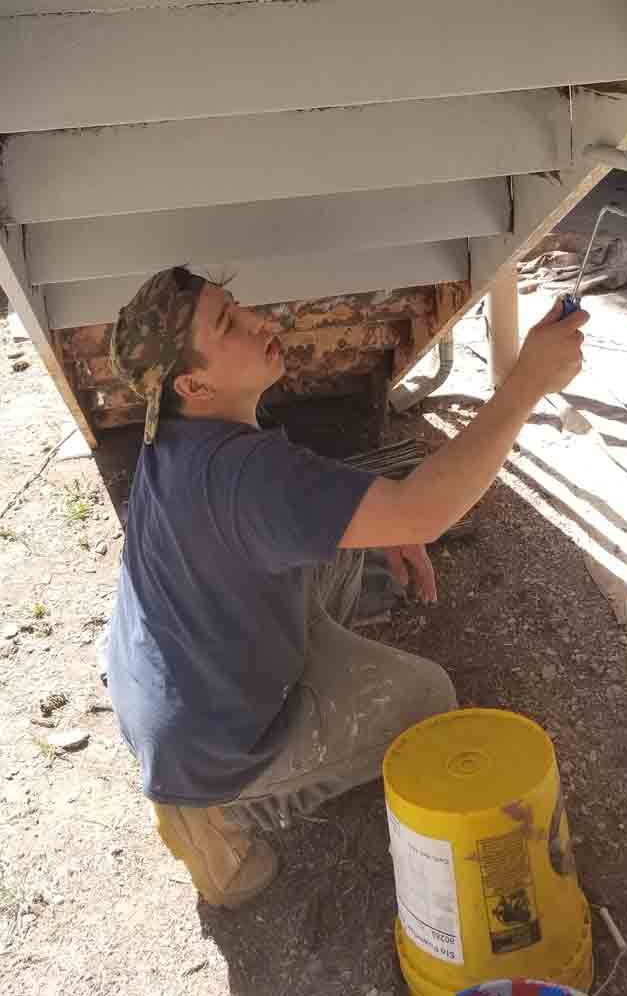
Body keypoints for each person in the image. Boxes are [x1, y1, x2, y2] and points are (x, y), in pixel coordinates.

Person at [107, 266, 587, 908]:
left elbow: (320, 501)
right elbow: (425, 508)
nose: (260, 322)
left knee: (342, 539)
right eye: (230, 325)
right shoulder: (246, 479)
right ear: (194, 383)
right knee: (425, 698)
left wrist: (385, 518)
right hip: (206, 743)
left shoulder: (173, 433)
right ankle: (215, 813)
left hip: (173, 671)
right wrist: (526, 384)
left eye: (239, 307)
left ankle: (289, 677)